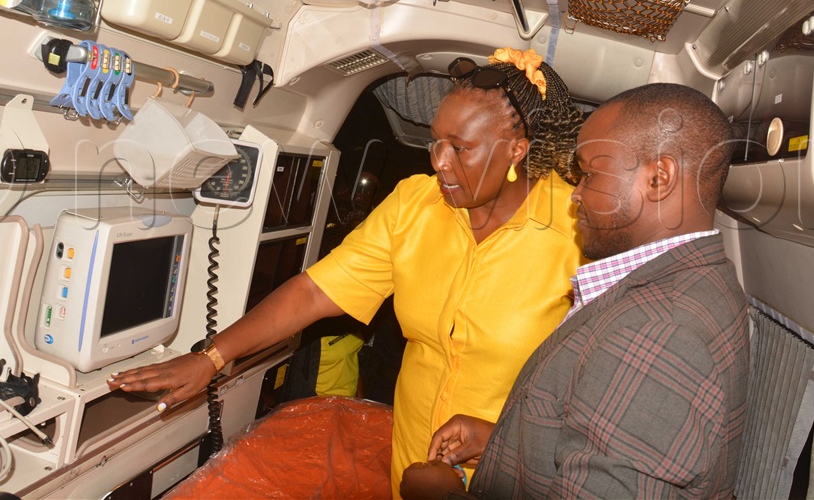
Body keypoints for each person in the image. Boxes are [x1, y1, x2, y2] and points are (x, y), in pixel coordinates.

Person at [109, 47, 586, 497]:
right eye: (436, 141)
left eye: (460, 148)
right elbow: (316, 292)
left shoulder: (577, 226)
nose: (439, 161)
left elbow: (604, 387)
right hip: (414, 465)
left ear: (517, 150)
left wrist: (504, 439)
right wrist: (210, 359)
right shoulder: (414, 204)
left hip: (518, 471)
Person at [401, 82, 750, 499]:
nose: (575, 196)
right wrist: (507, 438)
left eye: (588, 174)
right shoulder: (681, 284)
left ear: (659, 178)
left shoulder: (661, 332)